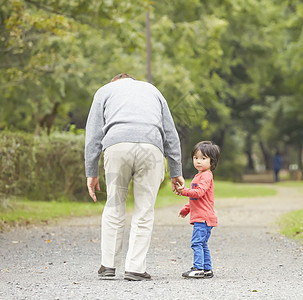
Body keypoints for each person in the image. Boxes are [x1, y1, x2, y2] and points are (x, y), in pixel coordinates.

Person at [85, 73, 184, 281]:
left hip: (116, 145)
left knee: (114, 204)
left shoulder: (104, 91)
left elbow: (93, 135)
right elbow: (171, 134)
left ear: (114, 82)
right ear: (132, 80)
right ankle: (135, 268)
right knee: (144, 209)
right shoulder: (153, 91)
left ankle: (108, 264)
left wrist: (91, 172)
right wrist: (176, 171)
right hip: (151, 148)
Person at [176, 141, 220, 279]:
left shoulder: (206, 176)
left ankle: (198, 268)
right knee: (202, 244)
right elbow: (196, 199)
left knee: (196, 243)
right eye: (196, 158)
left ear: (212, 161)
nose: (198, 161)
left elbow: (199, 192)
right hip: (203, 217)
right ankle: (207, 269)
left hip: (203, 218)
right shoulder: (198, 176)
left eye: (203, 158)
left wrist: (184, 191)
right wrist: (186, 210)